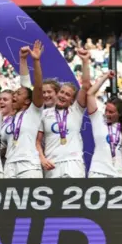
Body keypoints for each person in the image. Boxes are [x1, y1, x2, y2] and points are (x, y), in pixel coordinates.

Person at [37, 47, 90, 178]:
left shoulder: (76, 111)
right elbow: (37, 142)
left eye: (67, 95)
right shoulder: (44, 114)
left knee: (76, 197)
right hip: (52, 163)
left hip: (73, 162)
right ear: (57, 93)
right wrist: (42, 159)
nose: (63, 96)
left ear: (72, 100)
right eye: (61, 92)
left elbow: (86, 86)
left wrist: (85, 62)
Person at [2, 41, 45, 178]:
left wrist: (36, 61)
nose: (14, 96)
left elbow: (37, 87)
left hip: (28, 166)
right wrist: (22, 58)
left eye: (18, 94)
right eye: (14, 94)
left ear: (27, 101)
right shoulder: (8, 120)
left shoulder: (33, 112)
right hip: (9, 166)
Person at [87, 71, 122, 178]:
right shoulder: (98, 119)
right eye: (106, 110)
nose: (107, 114)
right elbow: (89, 94)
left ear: (120, 114)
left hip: (118, 174)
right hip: (98, 172)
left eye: (111, 112)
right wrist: (105, 77)